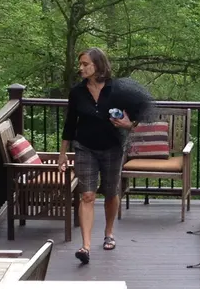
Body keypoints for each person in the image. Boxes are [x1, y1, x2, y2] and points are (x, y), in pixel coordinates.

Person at [58, 48, 151, 264]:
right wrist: (63, 154)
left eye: (85, 64)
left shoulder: (118, 90)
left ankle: (109, 233)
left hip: (112, 147)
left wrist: (129, 125)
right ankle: (86, 247)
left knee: (110, 192)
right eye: (80, 64)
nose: (80, 68)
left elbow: (140, 112)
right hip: (84, 148)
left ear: (98, 65)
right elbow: (70, 125)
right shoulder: (77, 93)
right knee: (87, 195)